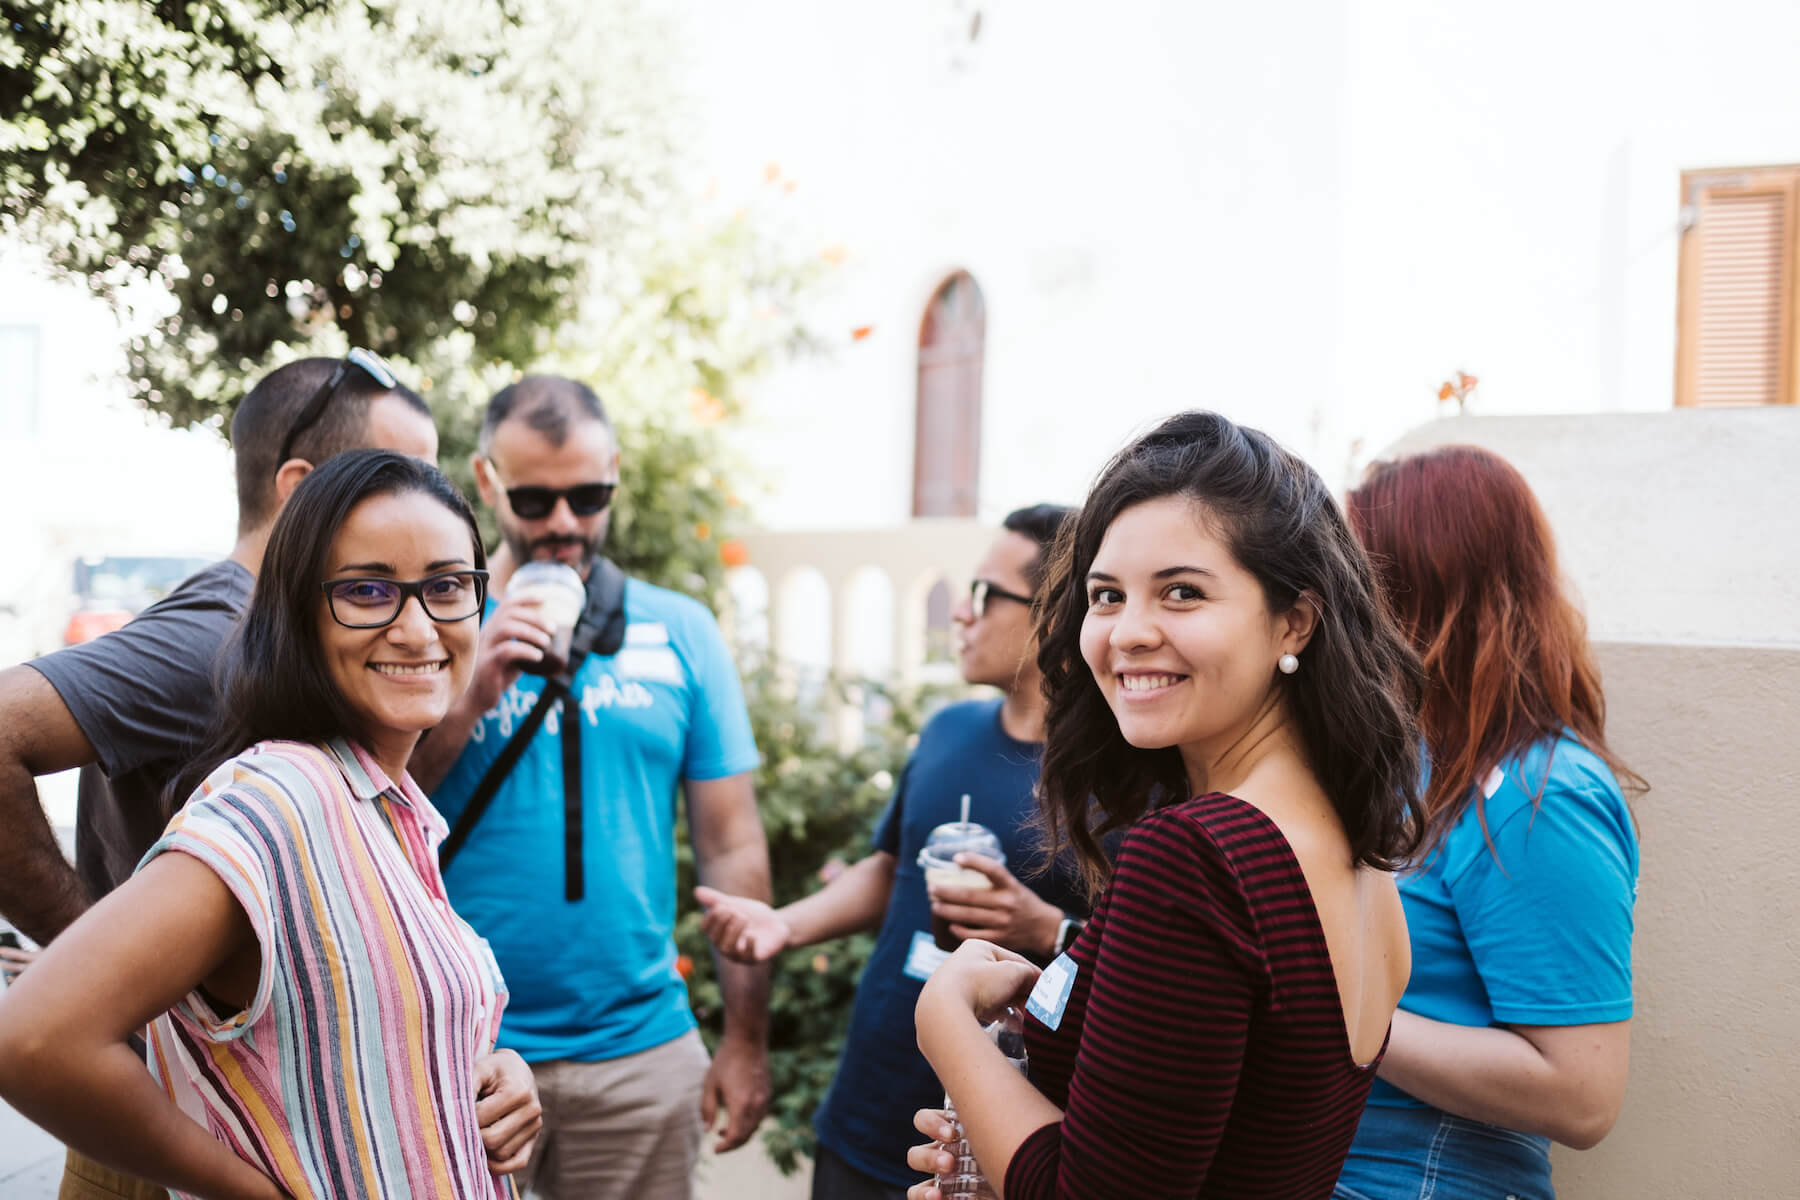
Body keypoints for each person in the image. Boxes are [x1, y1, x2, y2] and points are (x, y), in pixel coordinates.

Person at [904, 410, 1428, 1198]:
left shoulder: (1195, 855)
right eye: (1106, 595)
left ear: (1295, 620)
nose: (1128, 632)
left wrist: (945, 1019)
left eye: (1182, 593)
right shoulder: (1354, 852)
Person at [0, 450, 542, 1197]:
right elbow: (32, 1042)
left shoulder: (385, 806)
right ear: (297, 613)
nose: (418, 629)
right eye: (367, 590)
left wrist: (488, 1074)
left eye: (447, 586)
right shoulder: (282, 800)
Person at [409, 376, 772, 1200]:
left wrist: (746, 1040)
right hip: (454, 1048)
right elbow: (368, 805)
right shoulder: (432, 622)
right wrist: (475, 686)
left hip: (640, 1052)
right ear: (488, 479)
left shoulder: (680, 630)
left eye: (588, 494)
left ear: (614, 471)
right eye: (535, 499)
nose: (565, 523)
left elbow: (732, 845)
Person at [694, 505, 1093, 1200]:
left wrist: (1042, 928)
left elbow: (1139, 958)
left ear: (1052, 616)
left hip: (985, 1149)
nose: (961, 615)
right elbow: (889, 870)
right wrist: (783, 925)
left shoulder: (1113, 781)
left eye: (982, 595)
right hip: (865, 1111)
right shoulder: (948, 729)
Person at [1332, 446, 1641, 1200]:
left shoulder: (1543, 797)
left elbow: (1582, 1095)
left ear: (1423, 587)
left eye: (1351, 573)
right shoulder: (1412, 765)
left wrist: (1341, 1016)